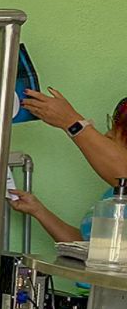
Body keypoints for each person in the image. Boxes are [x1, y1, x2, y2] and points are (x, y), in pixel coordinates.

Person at [11, 91, 127, 243]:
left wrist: (71, 122)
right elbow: (88, 247)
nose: (107, 135)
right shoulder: (112, 197)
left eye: (117, 132)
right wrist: (38, 210)